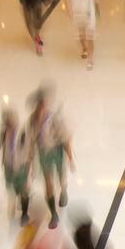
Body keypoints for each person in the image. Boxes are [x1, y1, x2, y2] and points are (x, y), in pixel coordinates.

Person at [29, 88, 74, 226]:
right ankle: (53, 214)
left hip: (57, 150)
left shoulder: (55, 118)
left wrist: (70, 157)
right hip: (44, 154)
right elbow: (31, 141)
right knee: (48, 183)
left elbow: (65, 138)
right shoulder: (32, 121)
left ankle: (64, 190)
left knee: (61, 176)